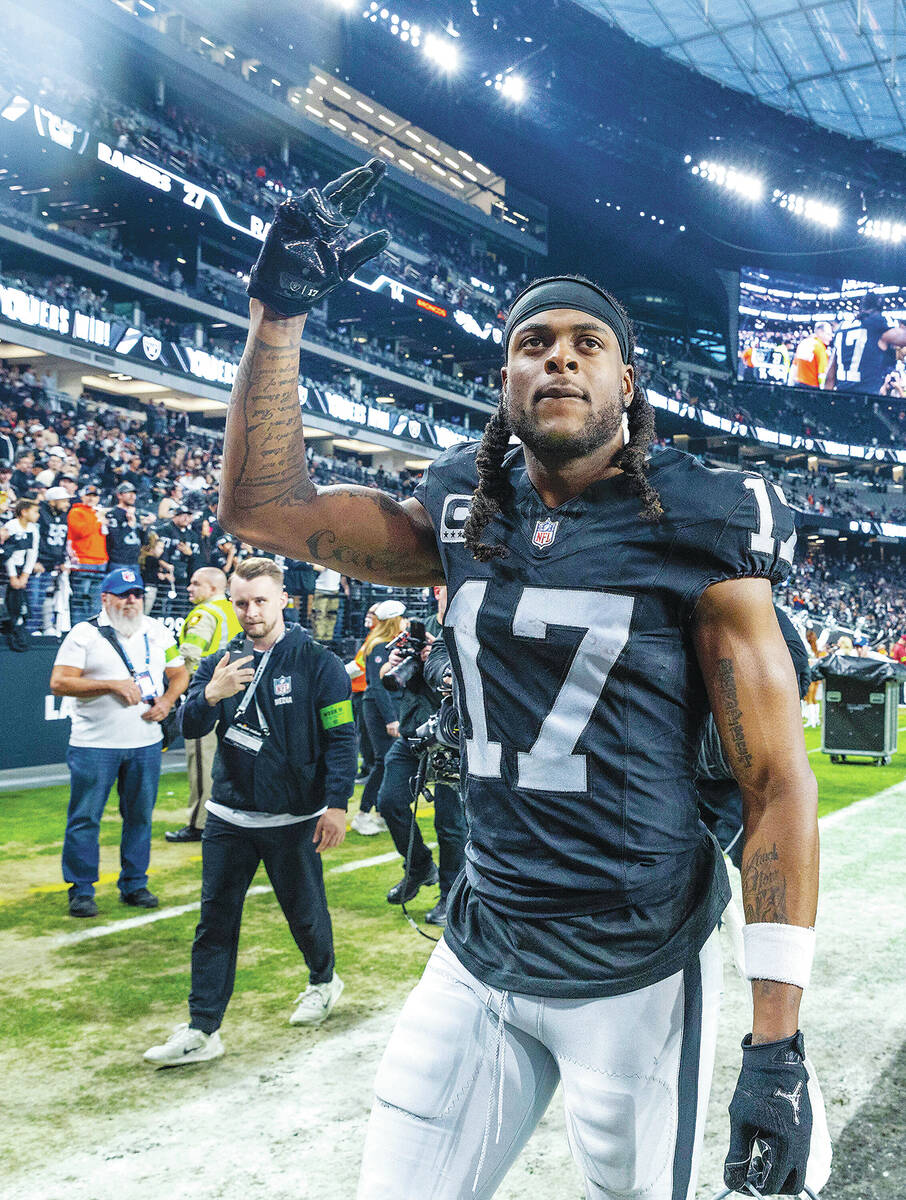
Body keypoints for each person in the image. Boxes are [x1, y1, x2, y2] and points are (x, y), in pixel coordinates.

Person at [216, 161, 829, 1200]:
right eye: (531, 344)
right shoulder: (466, 506)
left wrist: (777, 1047)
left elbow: (777, 785)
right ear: (502, 378)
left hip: (636, 971)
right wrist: (276, 319)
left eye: (588, 344)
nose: (559, 360)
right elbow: (265, 513)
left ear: (626, 384)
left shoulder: (697, 521)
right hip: (482, 944)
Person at [143, 558, 356, 1067]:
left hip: (292, 819)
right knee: (214, 923)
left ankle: (324, 981)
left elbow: (341, 737)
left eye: (260, 600)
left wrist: (337, 804)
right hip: (229, 816)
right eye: (241, 602)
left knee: (304, 914)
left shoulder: (317, 663)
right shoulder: (221, 660)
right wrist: (211, 694)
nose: (251, 611)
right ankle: (202, 1027)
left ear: (283, 599)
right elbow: (190, 728)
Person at [49, 568, 189, 918]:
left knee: (140, 816)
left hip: (145, 742)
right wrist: (111, 684)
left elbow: (180, 673)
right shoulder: (84, 634)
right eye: (124, 594)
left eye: (137, 594)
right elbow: (60, 682)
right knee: (85, 817)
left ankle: (135, 883)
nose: (131, 601)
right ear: (105, 598)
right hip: (94, 744)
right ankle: (81, 889)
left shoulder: (156, 631)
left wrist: (168, 701)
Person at [377, 586, 467, 926]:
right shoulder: (421, 627)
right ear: (436, 590)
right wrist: (396, 662)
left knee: (451, 824)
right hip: (414, 730)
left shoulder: (468, 627)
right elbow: (393, 679)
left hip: (451, 737)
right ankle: (418, 867)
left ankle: (450, 896)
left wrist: (437, 660)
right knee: (389, 801)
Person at [165, 567, 242, 844]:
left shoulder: (204, 614)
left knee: (201, 759)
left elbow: (190, 656)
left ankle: (199, 823)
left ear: (212, 589)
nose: (190, 587)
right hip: (236, 693)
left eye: (196, 583)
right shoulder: (236, 610)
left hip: (208, 693)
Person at [350, 599, 403, 835]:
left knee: (386, 760)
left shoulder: (380, 643)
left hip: (378, 706)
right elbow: (379, 687)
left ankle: (380, 812)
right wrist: (391, 718)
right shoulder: (381, 646)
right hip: (378, 707)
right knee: (384, 761)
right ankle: (363, 814)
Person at [825, 292, 906, 394]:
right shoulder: (876, 323)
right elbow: (902, 338)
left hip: (842, 396)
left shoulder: (841, 327)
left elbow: (830, 375)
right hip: (867, 399)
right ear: (879, 309)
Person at [32, 485, 71, 636]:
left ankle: (47, 626)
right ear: (53, 501)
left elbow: (63, 540)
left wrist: (62, 560)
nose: (67, 504)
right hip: (38, 563)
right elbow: (36, 539)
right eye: (64, 501)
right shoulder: (40, 514)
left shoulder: (63, 515)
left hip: (53, 563)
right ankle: (32, 628)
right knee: (35, 597)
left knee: (48, 598)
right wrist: (34, 561)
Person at [2, 497, 39, 650]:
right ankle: (8, 630)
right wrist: (12, 576)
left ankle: (16, 629)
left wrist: (25, 575)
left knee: (18, 602)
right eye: (35, 511)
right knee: (6, 602)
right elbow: (7, 553)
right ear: (24, 512)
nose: (37, 515)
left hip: (20, 570)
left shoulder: (33, 529)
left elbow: (32, 553)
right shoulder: (11, 526)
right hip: (5, 570)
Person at [67, 484, 108, 622]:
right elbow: (81, 532)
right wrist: (98, 519)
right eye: (88, 495)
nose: (91, 499)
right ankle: (77, 629)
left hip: (100, 562)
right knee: (80, 599)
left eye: (94, 496)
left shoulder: (97, 513)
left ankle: (93, 630)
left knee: (96, 601)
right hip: (83, 561)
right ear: (82, 496)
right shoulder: (76, 512)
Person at [105, 480, 145, 572]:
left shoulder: (136, 514)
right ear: (119, 495)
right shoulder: (113, 514)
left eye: (134, 493)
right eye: (128, 493)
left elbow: (142, 542)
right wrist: (129, 525)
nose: (132, 496)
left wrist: (144, 528)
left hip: (134, 562)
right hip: (118, 561)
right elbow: (115, 541)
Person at [789, 322, 832, 389]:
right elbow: (822, 374)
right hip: (812, 389)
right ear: (820, 332)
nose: (830, 338)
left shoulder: (803, 343)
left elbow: (794, 366)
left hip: (797, 385)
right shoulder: (820, 347)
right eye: (828, 334)